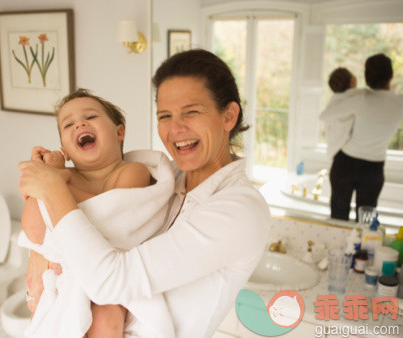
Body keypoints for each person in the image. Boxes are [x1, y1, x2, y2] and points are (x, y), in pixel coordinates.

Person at [19, 49, 271, 337]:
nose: (175, 128)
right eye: (165, 116)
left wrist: (52, 188)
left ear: (228, 116)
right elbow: (79, 224)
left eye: (191, 112)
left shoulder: (240, 211)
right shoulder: (163, 180)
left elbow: (110, 281)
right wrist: (40, 251)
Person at [19, 88, 175, 337]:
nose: (79, 123)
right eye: (68, 124)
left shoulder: (131, 171)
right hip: (69, 276)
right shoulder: (67, 178)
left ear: (119, 132)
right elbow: (34, 231)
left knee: (106, 315)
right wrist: (41, 182)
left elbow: (115, 212)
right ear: (65, 150)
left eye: (91, 117)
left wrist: (54, 184)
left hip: (111, 273)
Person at [320, 53, 403, 221]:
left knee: (338, 220)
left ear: (366, 77)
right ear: (391, 76)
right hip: (373, 169)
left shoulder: (360, 99)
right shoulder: (400, 102)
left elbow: (326, 116)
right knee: (365, 224)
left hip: (345, 164)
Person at [322, 67, 357, 160]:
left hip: (334, 152)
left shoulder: (333, 101)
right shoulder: (353, 101)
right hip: (345, 154)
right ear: (352, 81)